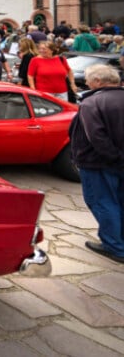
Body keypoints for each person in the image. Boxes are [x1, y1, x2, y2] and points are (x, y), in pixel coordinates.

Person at [69, 64, 124, 263]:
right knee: (118, 201)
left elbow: (96, 136)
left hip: (99, 163)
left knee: (103, 202)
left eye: (89, 79)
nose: (87, 83)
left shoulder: (92, 102)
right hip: (114, 161)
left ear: (98, 82)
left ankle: (114, 246)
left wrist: (115, 158)